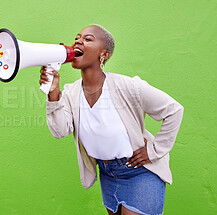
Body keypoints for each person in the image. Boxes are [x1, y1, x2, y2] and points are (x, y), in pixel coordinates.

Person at [39, 24, 184, 215]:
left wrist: (154, 150)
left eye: (88, 39)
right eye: (77, 37)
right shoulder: (70, 92)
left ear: (104, 54)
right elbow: (59, 131)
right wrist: (53, 93)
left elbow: (174, 110)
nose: (78, 41)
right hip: (107, 173)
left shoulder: (128, 86)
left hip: (139, 172)